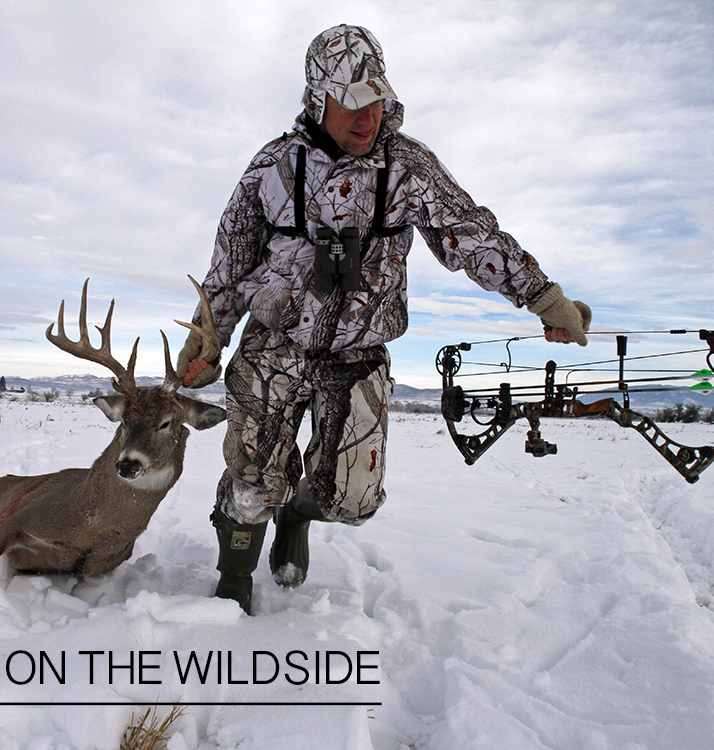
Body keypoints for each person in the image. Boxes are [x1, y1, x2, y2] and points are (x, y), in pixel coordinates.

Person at [176, 25, 590, 614]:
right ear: (319, 99)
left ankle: (297, 513)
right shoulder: (272, 168)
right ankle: (234, 582)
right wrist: (203, 346)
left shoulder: (409, 168)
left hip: (359, 355)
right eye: (350, 102)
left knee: (354, 498)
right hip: (273, 346)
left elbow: (473, 237)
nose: (366, 116)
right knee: (249, 477)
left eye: (374, 99)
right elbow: (228, 268)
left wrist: (545, 299)